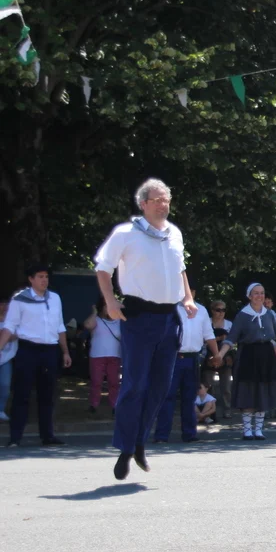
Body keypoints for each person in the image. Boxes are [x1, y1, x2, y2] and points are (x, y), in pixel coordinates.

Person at [95, 179, 197, 478]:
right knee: (135, 385)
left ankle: (139, 441)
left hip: (169, 319)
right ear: (143, 204)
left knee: (161, 387)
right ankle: (126, 448)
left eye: (166, 200)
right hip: (139, 317)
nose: (163, 205)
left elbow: (180, 268)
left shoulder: (174, 233)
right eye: (157, 200)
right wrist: (110, 301)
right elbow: (103, 267)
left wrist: (188, 297)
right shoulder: (126, 233)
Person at [0, 263, 71, 447]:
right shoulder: (20, 299)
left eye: (46, 277)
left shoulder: (54, 298)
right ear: (31, 279)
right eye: (40, 277)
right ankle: (15, 437)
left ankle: (47, 436)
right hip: (28, 350)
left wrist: (65, 351)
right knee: (22, 394)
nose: (44, 280)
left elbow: (60, 325)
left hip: (50, 350)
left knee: (47, 394)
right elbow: (9, 326)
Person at [219, 283, 276, 439]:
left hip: (266, 355)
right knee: (248, 390)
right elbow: (231, 338)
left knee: (264, 391)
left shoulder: (268, 314)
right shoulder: (243, 315)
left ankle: (258, 429)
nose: (259, 296)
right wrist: (220, 354)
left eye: (262, 293)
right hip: (248, 355)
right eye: (256, 293)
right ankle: (247, 430)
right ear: (249, 296)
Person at [152, 291, 221, 443]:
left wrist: (216, 355)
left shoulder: (201, 310)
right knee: (167, 396)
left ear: (194, 292)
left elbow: (209, 334)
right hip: (172, 356)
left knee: (190, 397)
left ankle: (189, 434)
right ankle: (162, 435)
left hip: (192, 357)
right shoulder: (170, 307)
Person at [84, 297, 123, 414]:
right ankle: (94, 404)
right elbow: (87, 325)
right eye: (106, 306)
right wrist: (94, 312)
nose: (109, 308)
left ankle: (115, 404)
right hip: (97, 355)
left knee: (114, 382)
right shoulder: (96, 320)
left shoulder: (119, 321)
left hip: (115, 356)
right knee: (96, 381)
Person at [203, 300, 234, 418]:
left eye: (223, 310)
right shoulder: (206, 322)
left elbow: (232, 342)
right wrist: (219, 338)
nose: (221, 313)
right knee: (208, 385)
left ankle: (227, 409)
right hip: (208, 356)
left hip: (226, 356)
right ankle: (209, 410)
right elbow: (202, 340)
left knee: (226, 387)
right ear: (212, 310)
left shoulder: (229, 324)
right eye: (218, 310)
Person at [0, 299, 13, 422]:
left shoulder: (13, 320)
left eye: (6, 304)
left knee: (5, 384)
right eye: (2, 304)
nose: (4, 306)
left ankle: (0, 410)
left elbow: (16, 335)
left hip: (6, 358)